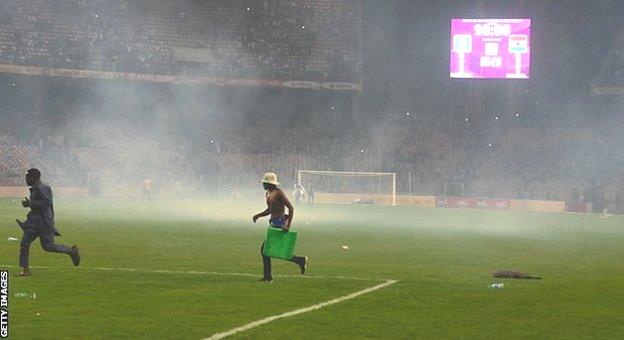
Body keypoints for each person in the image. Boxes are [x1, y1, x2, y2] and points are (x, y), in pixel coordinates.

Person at [15, 168, 80, 276]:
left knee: (48, 246)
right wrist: (29, 207)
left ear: (35, 178)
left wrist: (31, 203)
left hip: (44, 223)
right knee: (24, 243)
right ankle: (25, 270)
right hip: (34, 223)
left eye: (28, 178)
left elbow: (47, 203)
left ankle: (71, 251)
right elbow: (36, 206)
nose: (26, 180)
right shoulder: (34, 188)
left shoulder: (43, 188)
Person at [253, 172, 307, 283]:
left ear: (270, 184)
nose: (263, 185)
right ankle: (300, 261)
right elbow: (270, 210)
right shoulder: (269, 193)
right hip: (274, 223)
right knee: (272, 251)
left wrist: (288, 225)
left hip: (279, 223)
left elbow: (291, 208)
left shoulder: (279, 193)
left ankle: (268, 277)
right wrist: (258, 215)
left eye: (265, 183)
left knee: (265, 250)